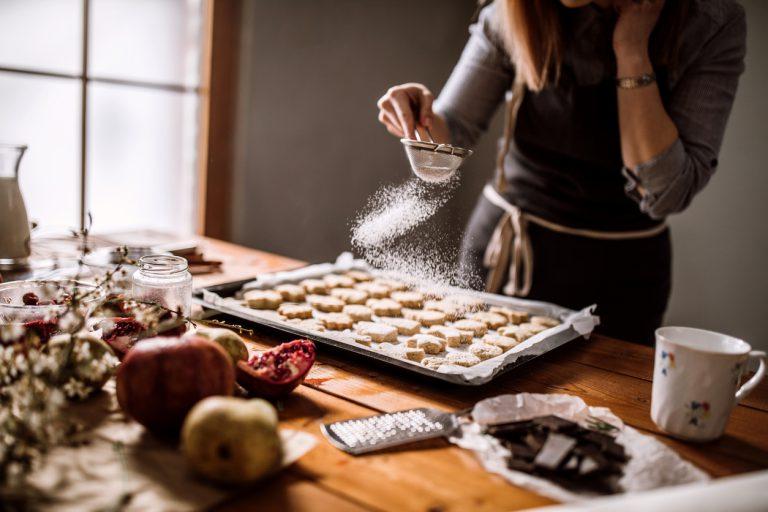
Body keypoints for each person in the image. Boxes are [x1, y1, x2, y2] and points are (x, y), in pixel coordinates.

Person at [375, 0, 746, 344]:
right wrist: (420, 120)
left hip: (623, 276)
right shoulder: (516, 9)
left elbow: (666, 192)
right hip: (507, 256)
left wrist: (632, 50)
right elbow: (451, 133)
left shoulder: (708, 22)